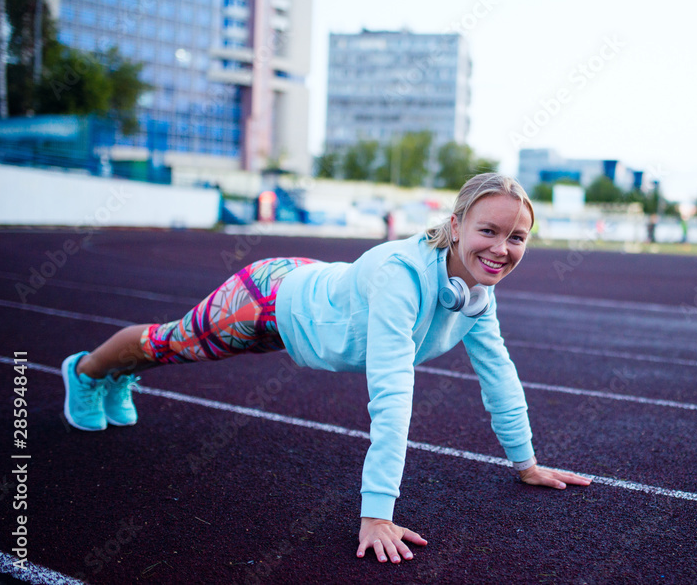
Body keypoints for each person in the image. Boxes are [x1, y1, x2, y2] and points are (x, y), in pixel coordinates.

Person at [60, 173, 591, 565]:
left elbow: (499, 374)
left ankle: (114, 375)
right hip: (266, 300)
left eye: (516, 238)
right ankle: (85, 371)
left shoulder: (474, 294)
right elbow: (391, 392)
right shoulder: (401, 278)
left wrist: (526, 463)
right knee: (169, 343)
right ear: (454, 227)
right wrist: (377, 513)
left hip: (313, 297)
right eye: (488, 231)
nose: (501, 249)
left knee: (171, 348)